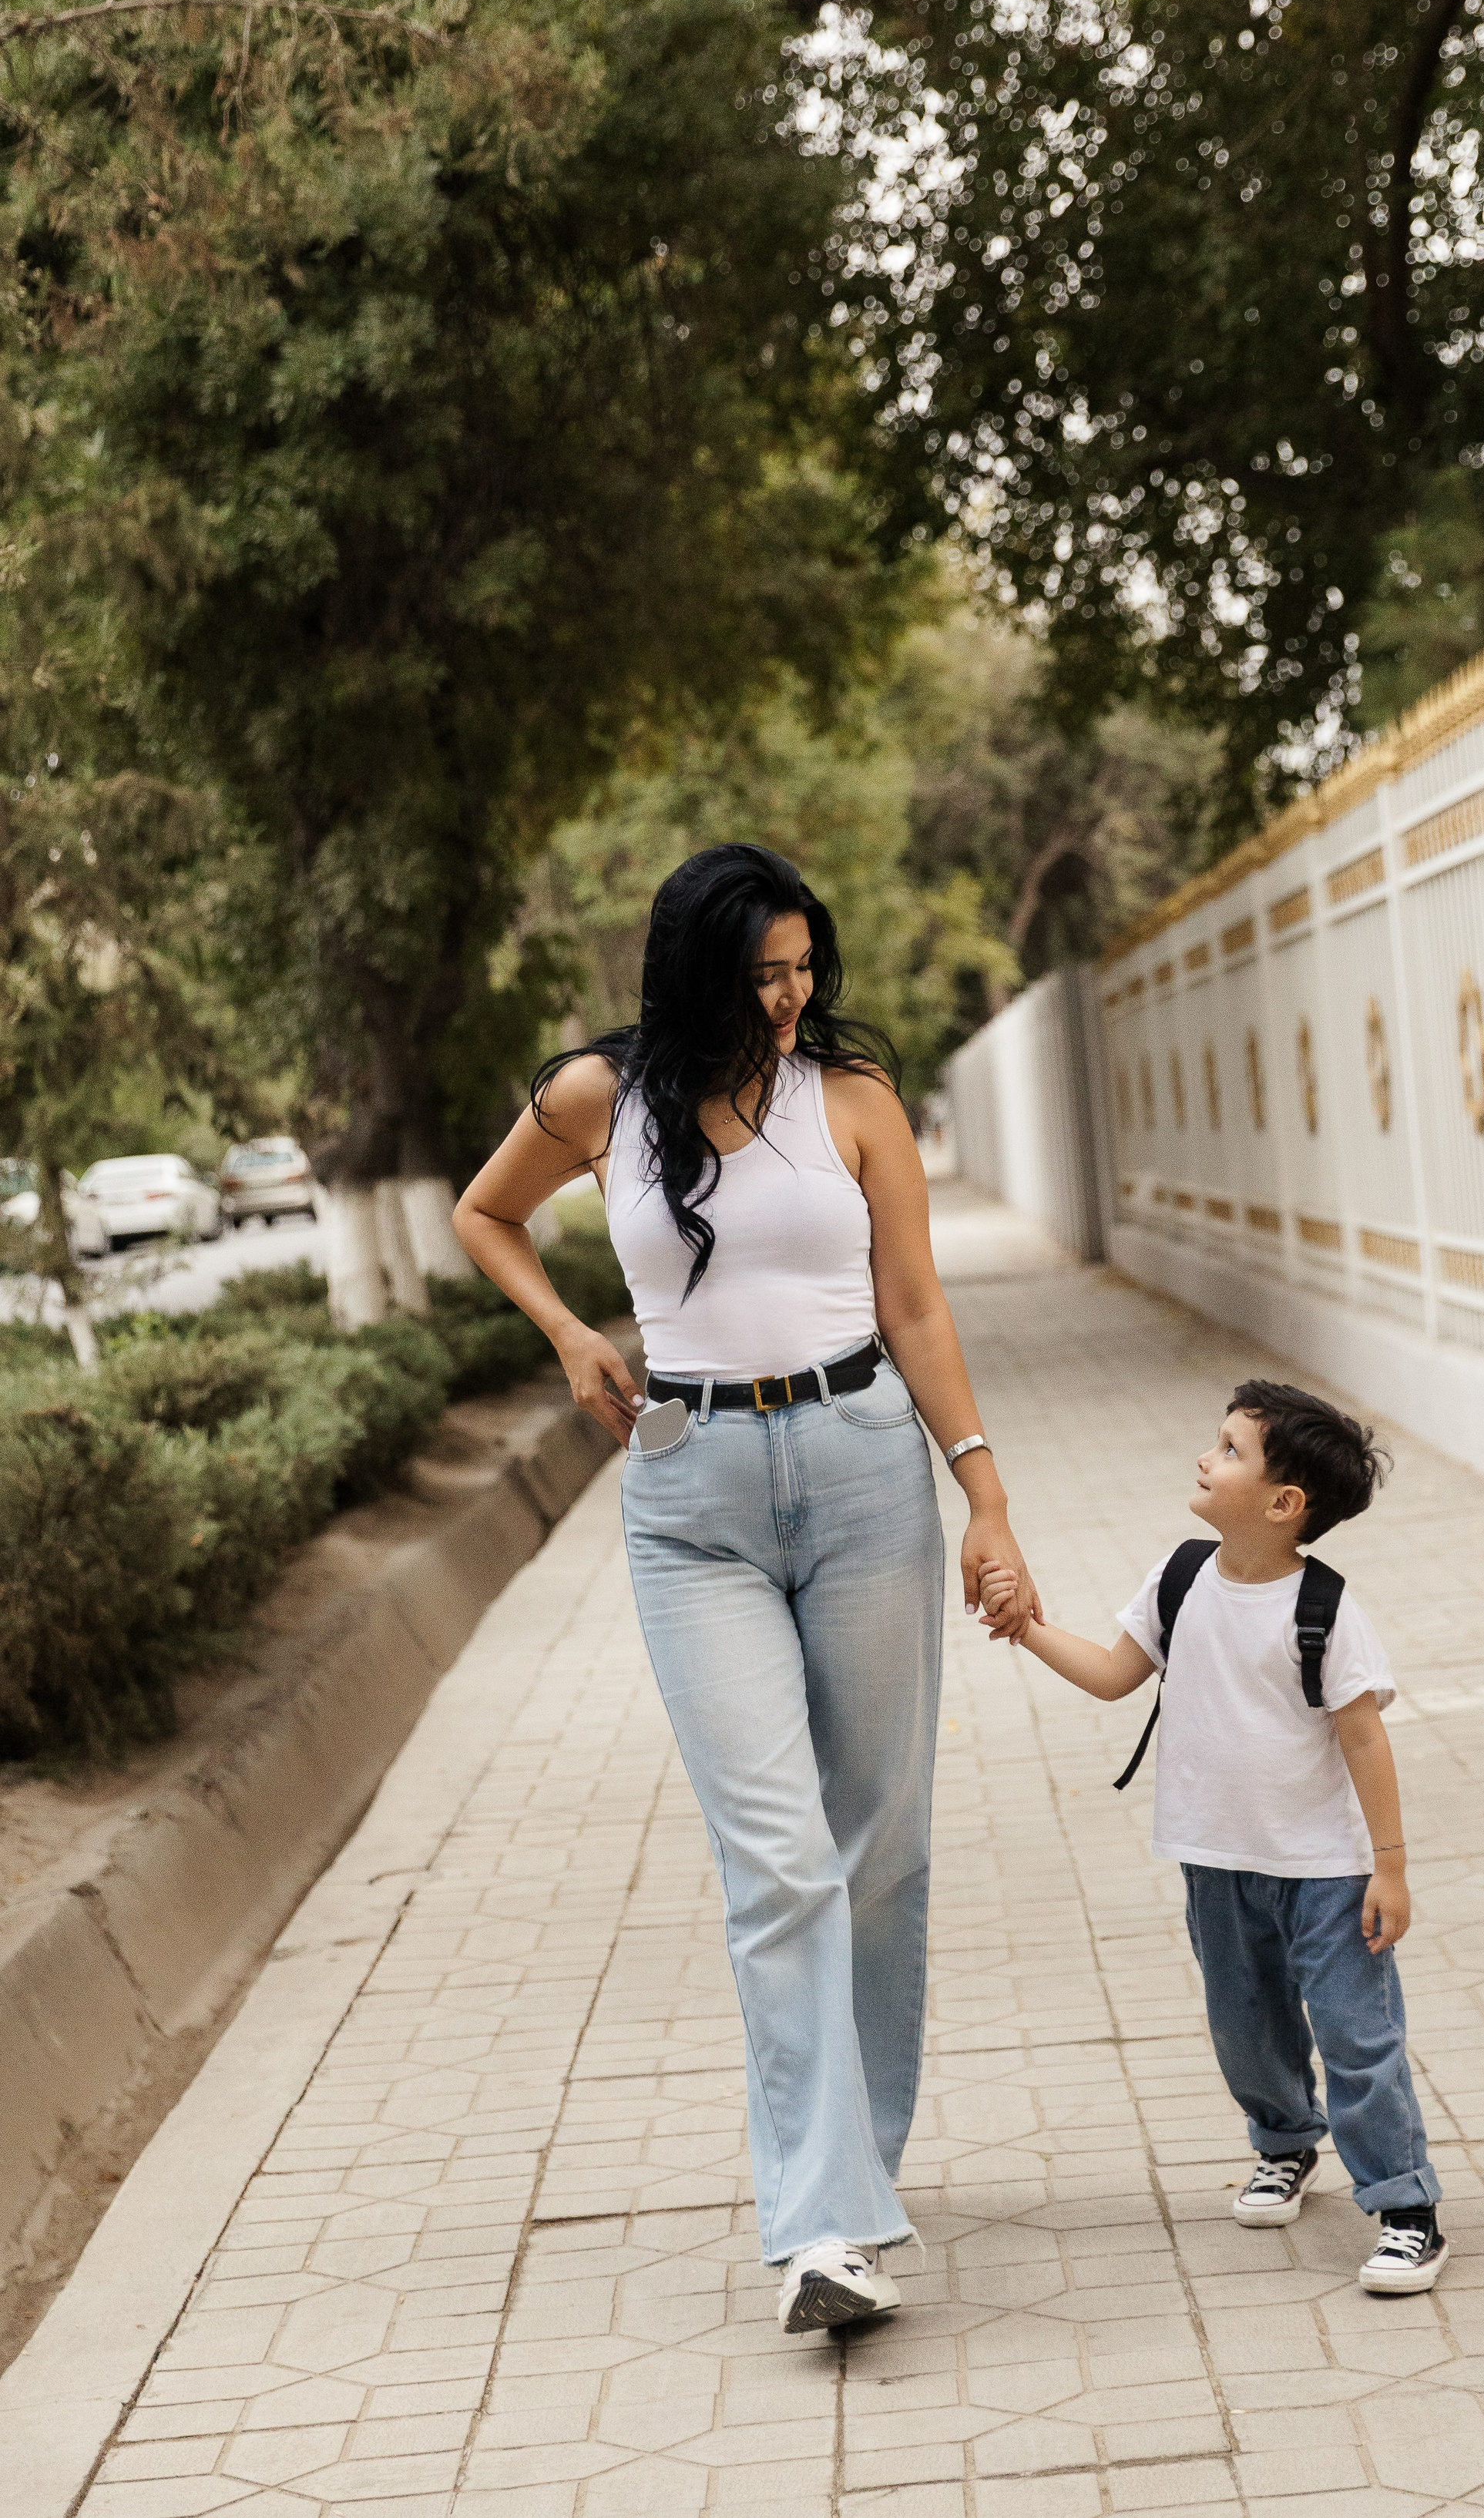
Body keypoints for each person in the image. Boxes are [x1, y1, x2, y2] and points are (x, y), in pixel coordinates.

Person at [455, 842, 1039, 2336]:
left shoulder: (850, 1104)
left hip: (859, 1472)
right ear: (692, 967)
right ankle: (824, 2225)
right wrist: (569, 1334)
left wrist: (982, 1494)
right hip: (688, 1491)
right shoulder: (597, 1100)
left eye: (801, 970)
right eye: (760, 971)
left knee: (879, 1846)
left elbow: (911, 1301)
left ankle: (858, 2162)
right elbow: (483, 1213)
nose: (787, 998)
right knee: (779, 1858)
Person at [979, 1379, 1447, 2295]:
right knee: (1245, 2026)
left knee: (1356, 2034)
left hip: (1324, 1871)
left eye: (1230, 1449)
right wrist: (1025, 1626)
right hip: (1217, 1858)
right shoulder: (1182, 1575)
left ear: (1284, 1503)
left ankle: (1404, 2205)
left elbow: (1363, 1734)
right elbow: (1116, 1675)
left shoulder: (1325, 1608)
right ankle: (1283, 2143)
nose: (1205, 1456)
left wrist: (1389, 1867)